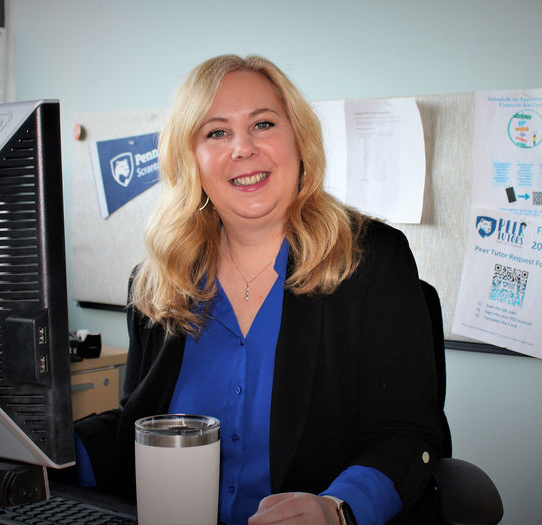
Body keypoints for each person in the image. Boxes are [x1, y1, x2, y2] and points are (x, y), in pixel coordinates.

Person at [74, 54, 443, 525]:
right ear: (191, 159)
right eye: (216, 132)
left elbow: (409, 435)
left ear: (299, 140)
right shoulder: (159, 282)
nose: (243, 149)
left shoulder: (370, 262)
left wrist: (336, 510)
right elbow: (142, 427)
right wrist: (49, 448)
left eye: (263, 124)